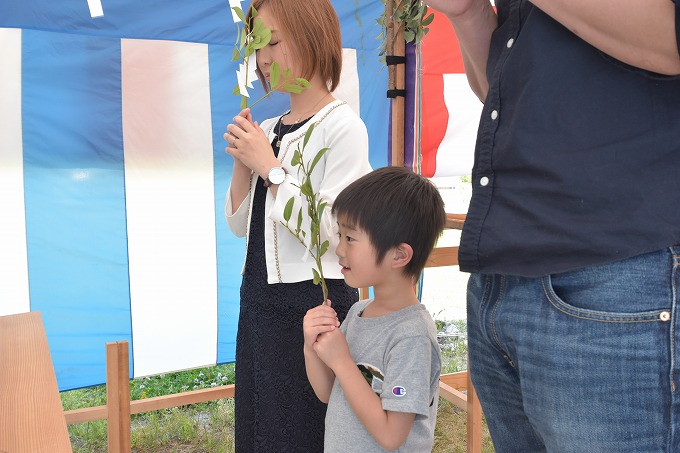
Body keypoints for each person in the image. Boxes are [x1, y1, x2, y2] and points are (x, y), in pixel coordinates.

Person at [426, 0, 680, 451]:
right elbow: (501, 89)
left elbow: (669, 39)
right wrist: (468, 14)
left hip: (616, 273)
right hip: (505, 278)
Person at [223, 0, 372, 450]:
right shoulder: (268, 128)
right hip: (259, 297)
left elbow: (334, 232)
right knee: (259, 424)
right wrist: (242, 164)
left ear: (313, 36)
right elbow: (237, 225)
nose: (264, 58)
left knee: (304, 428)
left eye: (274, 41)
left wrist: (270, 170)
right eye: (257, 45)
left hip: (313, 303)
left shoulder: (343, 127)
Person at [303, 166, 446, 452]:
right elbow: (330, 393)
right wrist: (312, 347)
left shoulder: (412, 337)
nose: (339, 249)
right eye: (340, 235)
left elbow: (392, 436)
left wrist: (342, 361)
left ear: (399, 254)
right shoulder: (358, 312)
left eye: (350, 238)